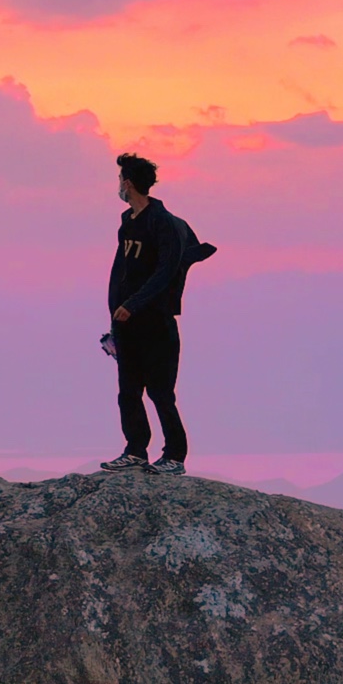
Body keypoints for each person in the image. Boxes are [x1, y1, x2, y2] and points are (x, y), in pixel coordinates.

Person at [99, 153, 216, 475]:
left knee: (161, 393)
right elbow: (121, 272)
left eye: (120, 180)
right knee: (128, 392)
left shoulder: (163, 223)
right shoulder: (128, 222)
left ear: (127, 183)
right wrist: (115, 317)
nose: (118, 187)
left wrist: (133, 304)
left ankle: (175, 457)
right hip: (126, 325)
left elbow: (164, 273)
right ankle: (136, 451)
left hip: (157, 322)